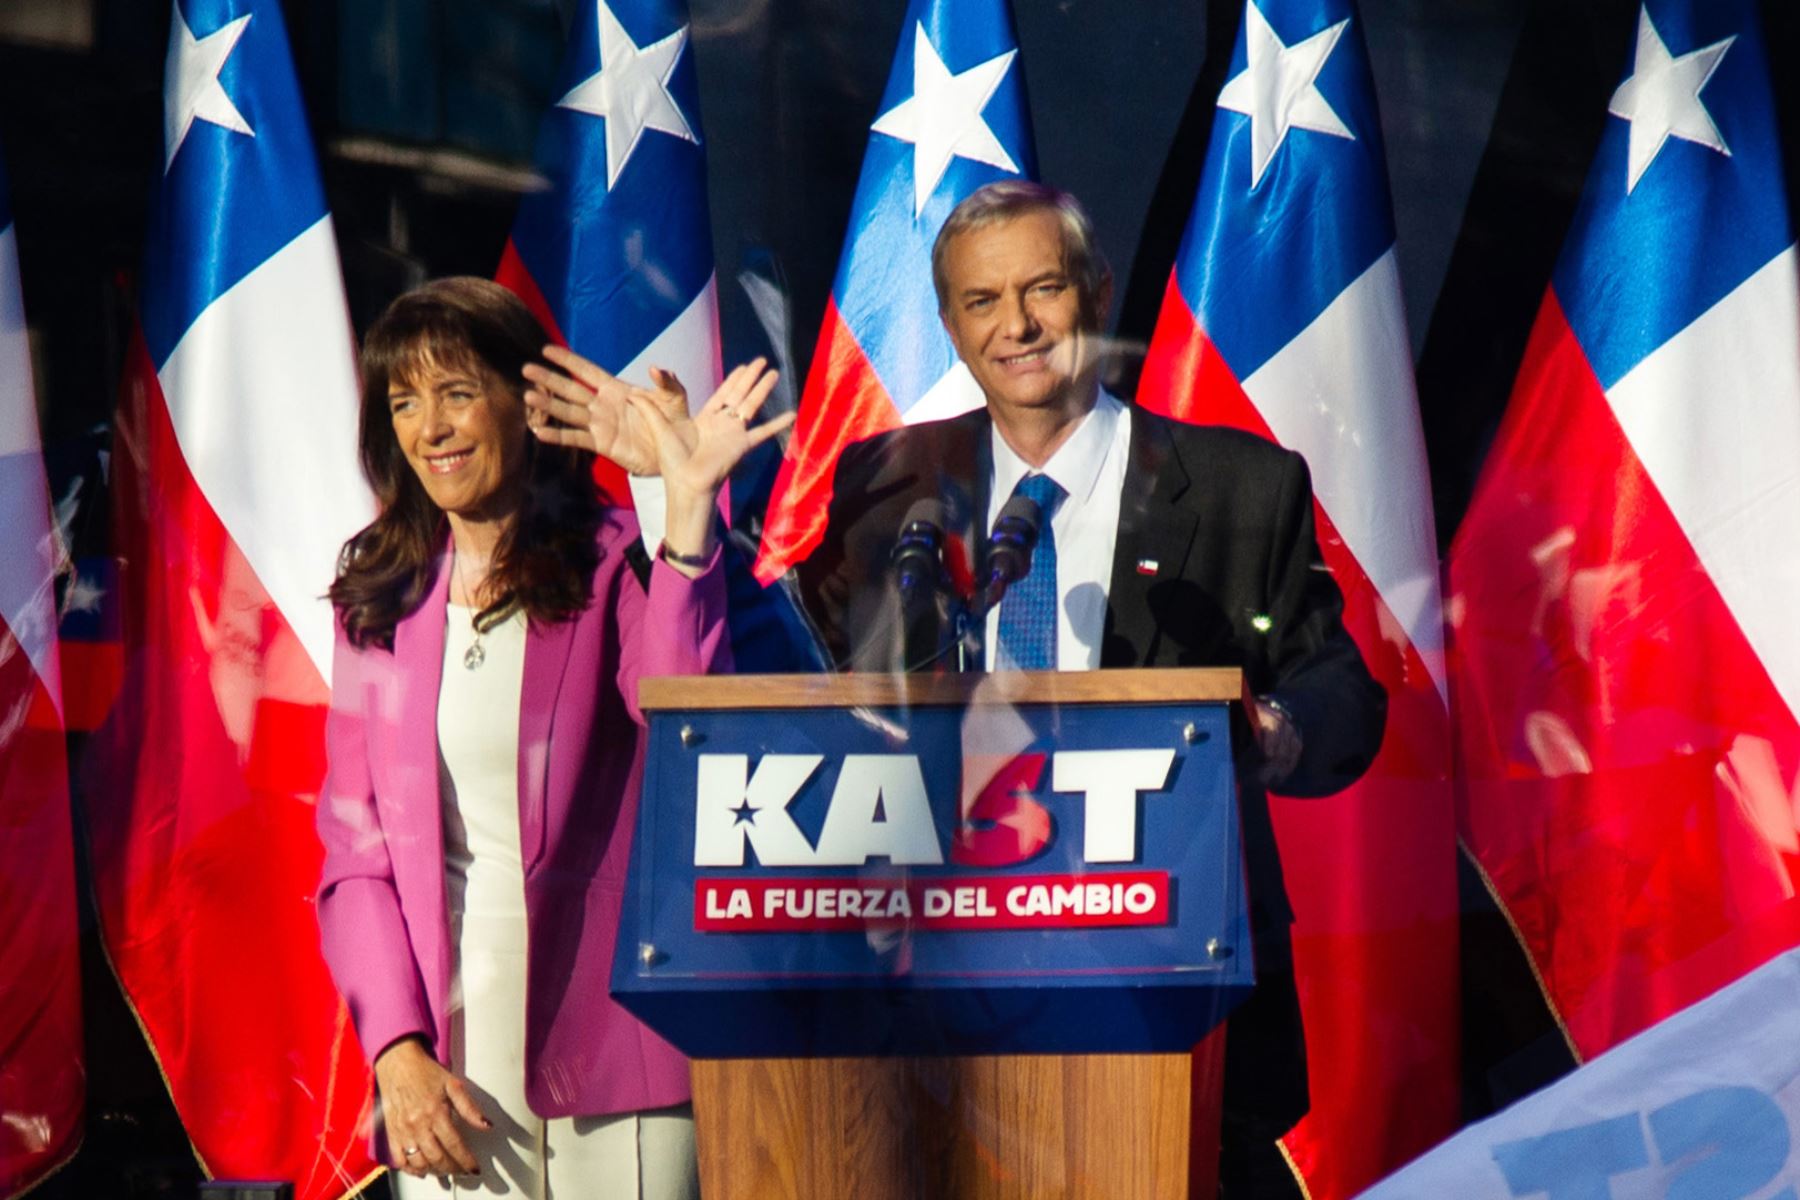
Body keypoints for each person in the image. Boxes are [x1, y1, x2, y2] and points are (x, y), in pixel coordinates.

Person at [791, 181, 1387, 1195]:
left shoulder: (1240, 484)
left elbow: (1344, 689)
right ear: (948, 324)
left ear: (1097, 294)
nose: (1016, 326)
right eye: (982, 302)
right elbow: (816, 682)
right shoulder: (887, 486)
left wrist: (1274, 729)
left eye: (1042, 290)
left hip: (1177, 998)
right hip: (945, 997)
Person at [316, 276, 790, 1198]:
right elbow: (353, 858)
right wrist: (397, 1051)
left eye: (457, 392)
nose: (432, 429)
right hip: (449, 1064)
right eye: (406, 402)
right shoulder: (379, 597)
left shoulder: (613, 560)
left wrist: (684, 506)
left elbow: (692, 724)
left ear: (525, 405)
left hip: (620, 1042)